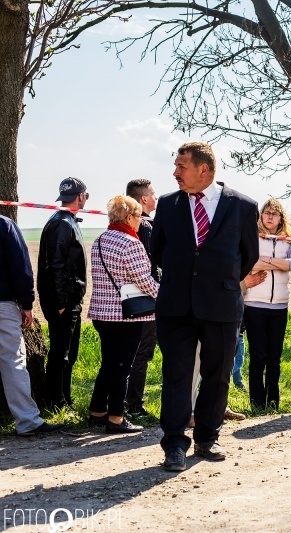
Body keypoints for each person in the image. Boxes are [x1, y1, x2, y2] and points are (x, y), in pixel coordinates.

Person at [152, 141, 259, 471]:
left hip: (222, 303)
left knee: (217, 373)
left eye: (181, 166)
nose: (175, 173)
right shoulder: (168, 205)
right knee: (177, 375)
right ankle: (174, 445)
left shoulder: (242, 206)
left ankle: (207, 437)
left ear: (205, 169)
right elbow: (157, 250)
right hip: (176, 305)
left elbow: (248, 255)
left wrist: (221, 282)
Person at [87, 196, 160, 434]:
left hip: (101, 313)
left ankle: (97, 411)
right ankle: (117, 418)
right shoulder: (131, 243)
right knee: (122, 367)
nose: (141, 221)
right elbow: (144, 280)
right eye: (139, 216)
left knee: (108, 364)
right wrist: (166, 296)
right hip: (126, 316)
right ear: (129, 217)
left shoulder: (99, 241)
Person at [0, 215, 64, 436]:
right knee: (13, 362)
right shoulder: (4, 225)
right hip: (3, 304)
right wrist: (27, 303)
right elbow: (20, 265)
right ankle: (27, 420)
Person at [242, 198, 291, 410]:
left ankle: (273, 402)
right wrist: (278, 264)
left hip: (280, 306)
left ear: (280, 217)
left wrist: (266, 263)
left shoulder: (288, 240)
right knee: (258, 356)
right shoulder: (253, 237)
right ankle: (257, 403)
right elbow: (248, 262)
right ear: (260, 215)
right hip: (255, 305)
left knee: (274, 357)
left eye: (274, 213)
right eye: (266, 212)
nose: (270, 216)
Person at [37, 177, 89, 410]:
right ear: (79, 196)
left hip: (69, 298)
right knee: (61, 353)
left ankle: (64, 399)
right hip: (64, 300)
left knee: (69, 352)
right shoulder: (62, 224)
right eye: (86, 195)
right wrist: (60, 300)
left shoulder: (66, 221)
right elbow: (55, 264)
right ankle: (55, 402)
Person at [124, 179, 160, 417]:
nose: (156, 198)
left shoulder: (136, 225)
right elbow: (150, 264)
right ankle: (135, 404)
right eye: (153, 193)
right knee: (143, 350)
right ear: (144, 199)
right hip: (147, 298)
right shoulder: (146, 227)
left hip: (135, 298)